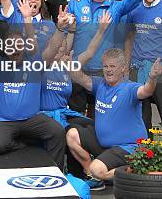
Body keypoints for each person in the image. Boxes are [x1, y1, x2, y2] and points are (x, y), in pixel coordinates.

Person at [0, 3, 67, 169]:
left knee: (57, 131)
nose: (15, 49)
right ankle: (22, 142)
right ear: (5, 50)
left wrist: (60, 29)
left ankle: (56, 168)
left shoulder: (34, 63)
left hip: (32, 119)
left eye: (19, 45)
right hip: (4, 120)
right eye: (10, 46)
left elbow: (53, 48)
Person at [64, 48, 161, 190]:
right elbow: (79, 78)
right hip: (104, 144)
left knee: (98, 169)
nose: (108, 70)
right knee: (71, 135)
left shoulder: (130, 88)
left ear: (123, 68)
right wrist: (70, 65)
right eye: (106, 66)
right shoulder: (100, 84)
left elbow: (147, 90)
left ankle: (137, 168)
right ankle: (92, 175)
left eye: (113, 66)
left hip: (128, 147)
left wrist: (152, 78)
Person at [67, 0, 147, 113]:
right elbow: (66, 33)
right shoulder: (77, 2)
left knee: (100, 115)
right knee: (75, 116)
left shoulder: (115, 7)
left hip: (102, 71)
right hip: (78, 68)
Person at [125, 0, 162, 130]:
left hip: (159, 71)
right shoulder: (134, 8)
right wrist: (127, 64)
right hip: (137, 69)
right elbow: (128, 37)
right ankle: (145, 153)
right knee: (141, 115)